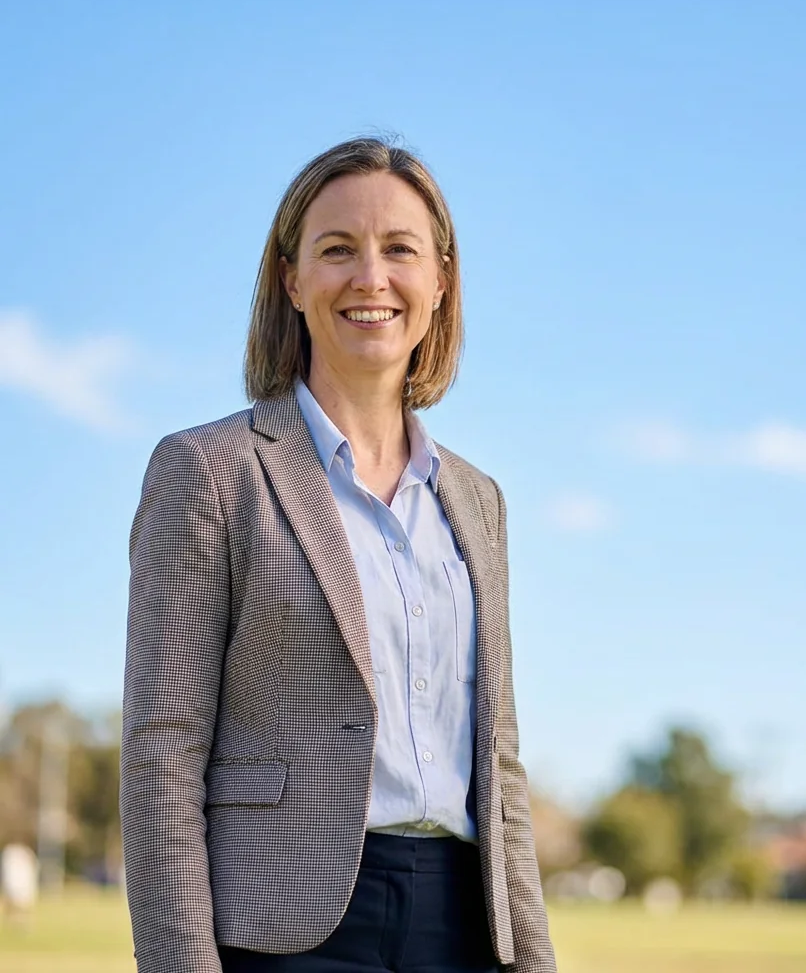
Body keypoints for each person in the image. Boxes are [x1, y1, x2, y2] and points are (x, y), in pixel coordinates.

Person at [120, 137, 556, 973]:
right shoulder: (211, 470)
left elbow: (499, 765)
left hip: (464, 925)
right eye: (337, 249)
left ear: (440, 281)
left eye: (399, 249)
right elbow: (161, 752)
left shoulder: (478, 501)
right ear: (291, 279)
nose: (370, 277)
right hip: (280, 930)